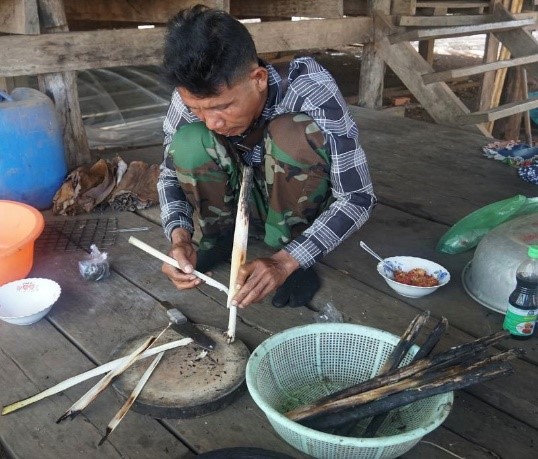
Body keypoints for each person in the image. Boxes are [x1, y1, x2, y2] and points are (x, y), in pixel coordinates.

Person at [158, 5, 375, 309]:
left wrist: (287, 262)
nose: (212, 122)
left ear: (258, 78)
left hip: (293, 209)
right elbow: (169, 174)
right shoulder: (191, 96)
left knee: (293, 133)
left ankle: (289, 247)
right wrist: (179, 236)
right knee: (189, 141)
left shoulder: (308, 90)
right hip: (234, 202)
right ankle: (221, 238)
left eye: (222, 106)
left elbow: (357, 198)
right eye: (197, 109)